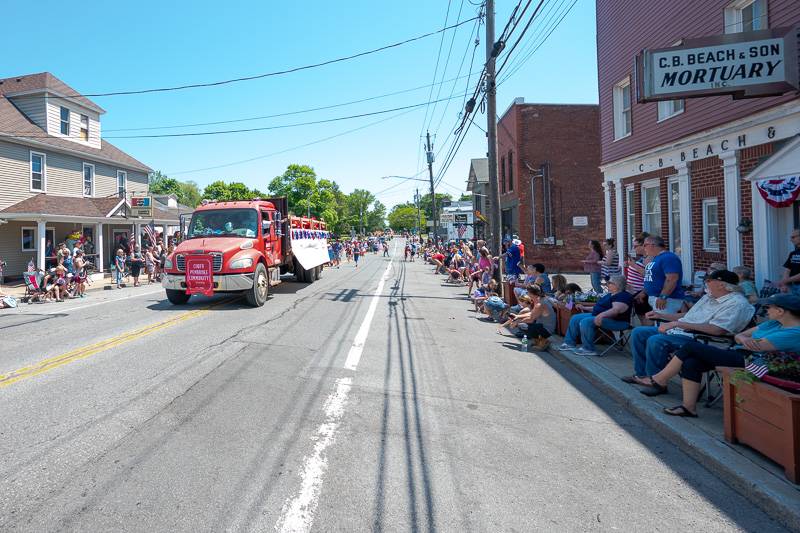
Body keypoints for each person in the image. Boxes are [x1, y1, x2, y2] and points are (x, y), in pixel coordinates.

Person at [638, 294, 800, 416]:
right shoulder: (773, 323)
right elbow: (741, 335)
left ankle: (659, 379)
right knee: (691, 362)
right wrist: (744, 339)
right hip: (739, 353)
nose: (766, 310)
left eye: (769, 307)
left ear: (780, 311)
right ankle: (688, 408)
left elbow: (757, 347)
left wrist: (746, 340)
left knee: (690, 348)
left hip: (754, 364)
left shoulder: (794, 332)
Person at [624, 269, 755, 387]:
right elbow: (689, 315)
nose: (706, 284)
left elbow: (717, 330)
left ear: (721, 284)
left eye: (709, 280)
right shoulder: (709, 297)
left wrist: (678, 324)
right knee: (639, 332)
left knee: (656, 340)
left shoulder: (737, 304)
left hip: (702, 339)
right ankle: (642, 375)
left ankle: (656, 382)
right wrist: (661, 315)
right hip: (682, 331)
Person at [558, 275, 634, 356]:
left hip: (617, 321)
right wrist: (584, 307)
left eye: (609, 283)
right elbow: (598, 307)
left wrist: (601, 315)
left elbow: (616, 310)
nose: (607, 285)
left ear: (617, 285)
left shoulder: (623, 296)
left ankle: (588, 348)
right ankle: (569, 343)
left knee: (586, 321)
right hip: (600, 316)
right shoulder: (611, 294)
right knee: (575, 318)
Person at [504, 285, 556, 350]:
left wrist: (517, 322)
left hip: (546, 330)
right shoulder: (540, 299)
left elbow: (530, 319)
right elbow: (532, 313)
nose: (527, 293)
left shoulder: (540, 304)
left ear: (531, 294)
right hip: (545, 327)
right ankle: (538, 341)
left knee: (522, 325)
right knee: (523, 324)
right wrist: (517, 316)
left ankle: (543, 341)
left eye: (527, 292)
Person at [642, 235, 684, 313]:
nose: (643, 248)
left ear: (652, 245)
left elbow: (672, 279)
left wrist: (663, 296)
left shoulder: (668, 257)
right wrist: (644, 292)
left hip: (668, 300)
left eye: (645, 245)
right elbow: (652, 277)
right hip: (657, 298)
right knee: (658, 323)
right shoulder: (656, 258)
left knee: (665, 324)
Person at [777, 228, 800, 295]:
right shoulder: (793, 253)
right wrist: (784, 285)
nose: (791, 240)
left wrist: (784, 281)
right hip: (793, 287)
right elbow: (787, 270)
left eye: (793, 237)